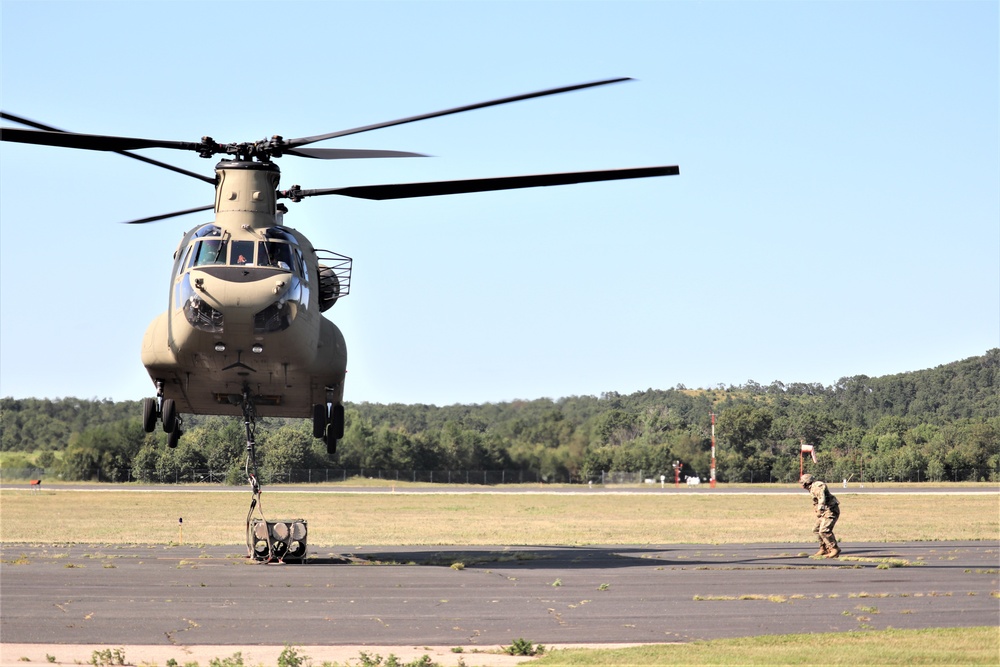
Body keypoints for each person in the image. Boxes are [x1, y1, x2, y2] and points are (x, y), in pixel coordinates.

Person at [800, 473, 841, 558]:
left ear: (807, 482)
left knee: (824, 530)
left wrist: (820, 509)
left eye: (802, 482)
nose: (801, 485)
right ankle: (824, 548)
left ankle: (834, 549)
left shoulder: (817, 486)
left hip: (830, 510)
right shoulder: (811, 488)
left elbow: (822, 498)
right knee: (816, 529)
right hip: (824, 512)